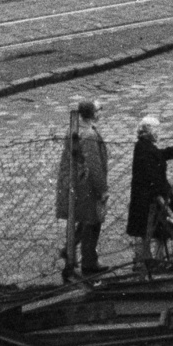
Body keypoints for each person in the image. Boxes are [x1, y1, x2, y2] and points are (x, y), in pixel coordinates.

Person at [55, 99, 108, 276]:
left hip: (77, 182)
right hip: (87, 185)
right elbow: (94, 166)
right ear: (93, 113)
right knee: (92, 222)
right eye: (99, 109)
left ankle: (69, 249)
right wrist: (102, 190)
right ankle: (89, 262)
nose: (101, 112)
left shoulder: (77, 128)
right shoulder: (89, 135)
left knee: (85, 219)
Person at [126, 115, 173, 268]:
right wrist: (166, 194)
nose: (159, 133)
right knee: (159, 228)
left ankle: (148, 258)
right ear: (149, 132)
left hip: (144, 196)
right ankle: (153, 259)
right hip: (151, 198)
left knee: (147, 230)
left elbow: (157, 155)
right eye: (157, 130)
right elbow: (152, 172)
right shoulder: (146, 149)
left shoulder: (143, 146)